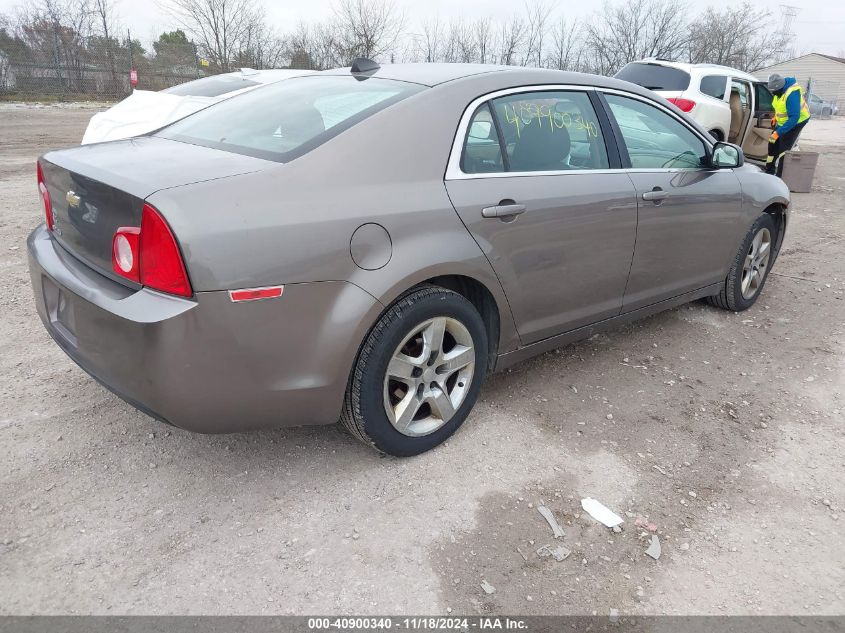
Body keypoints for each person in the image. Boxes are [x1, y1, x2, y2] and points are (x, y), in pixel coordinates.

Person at [766, 73, 811, 176]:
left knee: (783, 149)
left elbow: (794, 117)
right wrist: (776, 118)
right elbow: (781, 108)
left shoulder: (792, 94)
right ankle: (769, 170)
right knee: (772, 142)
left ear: (780, 88)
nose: (773, 94)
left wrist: (779, 132)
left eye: (774, 92)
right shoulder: (779, 92)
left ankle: (780, 175)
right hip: (785, 121)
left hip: (798, 121)